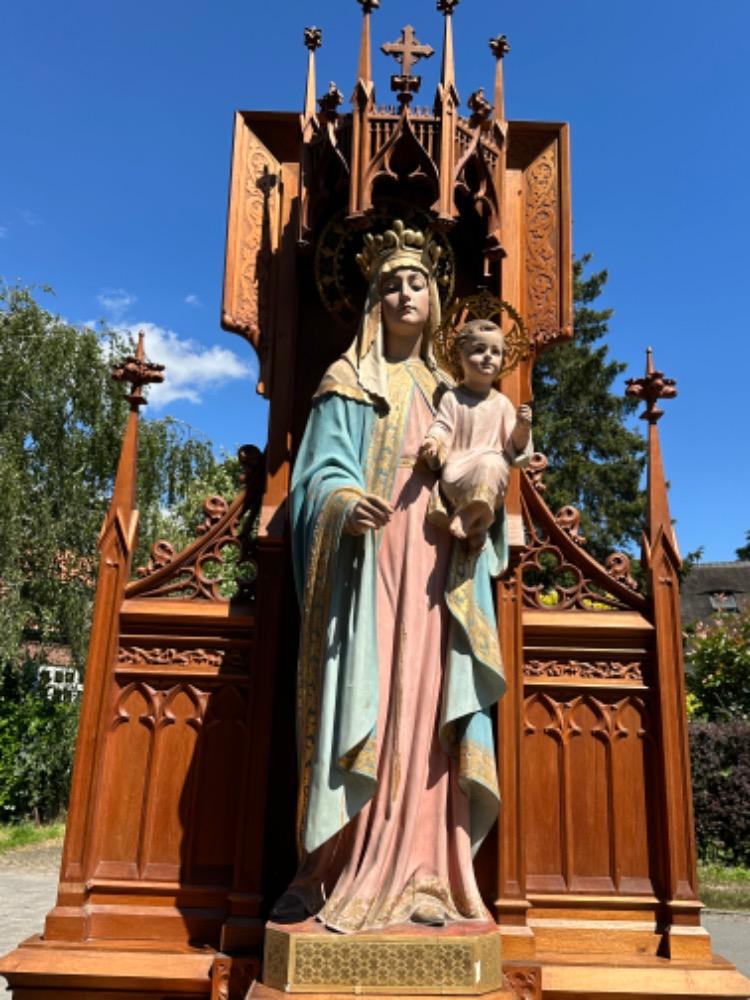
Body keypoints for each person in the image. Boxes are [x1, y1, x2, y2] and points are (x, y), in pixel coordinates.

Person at [274, 221, 523, 934]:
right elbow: (315, 478)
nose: (404, 293)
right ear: (372, 301)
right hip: (371, 566)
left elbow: (491, 466)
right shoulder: (348, 381)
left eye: (417, 282)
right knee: (374, 701)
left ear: (437, 299)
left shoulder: (457, 389)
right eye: (391, 284)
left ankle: (428, 874)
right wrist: (345, 503)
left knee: (428, 706)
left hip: (441, 570)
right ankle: (339, 870)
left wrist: (486, 498)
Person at [419, 319, 532, 552]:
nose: (488, 356)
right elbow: (443, 426)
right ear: (461, 356)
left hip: (491, 475)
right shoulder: (452, 398)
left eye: (496, 351)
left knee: (492, 463)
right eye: (479, 350)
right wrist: (433, 442)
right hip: (459, 472)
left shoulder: (502, 404)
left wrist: (522, 427)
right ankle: (477, 525)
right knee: (487, 465)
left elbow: (515, 447)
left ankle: (472, 520)